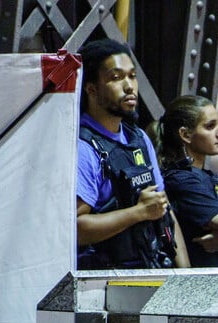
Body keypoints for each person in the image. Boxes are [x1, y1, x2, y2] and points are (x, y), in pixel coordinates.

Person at [75, 38, 188, 269]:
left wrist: (185, 279)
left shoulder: (137, 137)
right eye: (116, 78)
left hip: (150, 268)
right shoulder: (82, 147)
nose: (129, 86)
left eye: (132, 76)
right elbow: (74, 229)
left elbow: (162, 208)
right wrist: (137, 213)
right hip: (104, 282)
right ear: (91, 89)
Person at [149, 95, 218, 267]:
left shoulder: (207, 177)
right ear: (186, 135)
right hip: (202, 285)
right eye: (210, 126)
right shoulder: (182, 182)